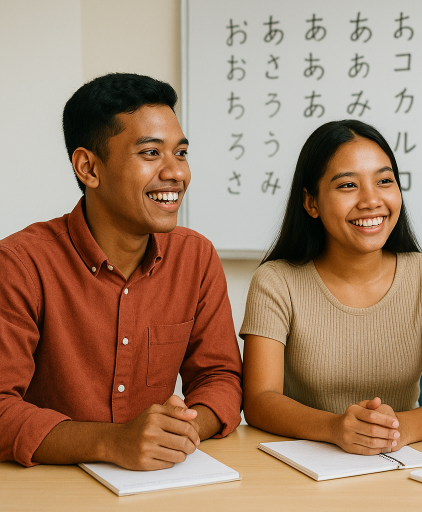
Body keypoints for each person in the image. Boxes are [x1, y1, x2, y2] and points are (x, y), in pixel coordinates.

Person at [0, 73, 243, 470]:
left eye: (180, 153)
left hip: (159, 483)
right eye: (150, 153)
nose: (176, 173)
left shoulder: (195, 257)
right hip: (51, 489)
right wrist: (114, 442)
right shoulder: (20, 264)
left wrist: (177, 433)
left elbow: (221, 378)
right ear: (88, 168)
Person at [241, 120, 422, 454]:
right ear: (311, 203)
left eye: (384, 181)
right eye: (348, 185)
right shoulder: (275, 282)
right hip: (304, 465)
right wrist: (335, 428)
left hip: (400, 459)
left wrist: (395, 431)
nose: (371, 200)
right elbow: (260, 401)